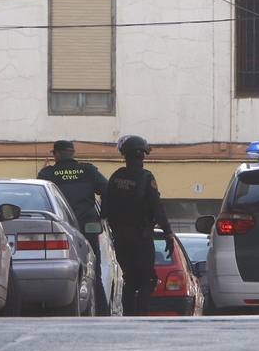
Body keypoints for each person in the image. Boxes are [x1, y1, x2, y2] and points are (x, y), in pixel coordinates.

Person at [101, 135, 174, 316]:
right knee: (146, 280)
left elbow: (105, 207)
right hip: (141, 238)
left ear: (125, 155)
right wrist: (168, 233)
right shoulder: (145, 178)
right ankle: (141, 316)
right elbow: (157, 208)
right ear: (142, 156)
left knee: (130, 279)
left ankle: (128, 316)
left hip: (120, 238)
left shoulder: (116, 177)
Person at [38, 140, 110, 314]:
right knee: (93, 269)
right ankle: (100, 311)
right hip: (88, 226)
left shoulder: (48, 174)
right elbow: (108, 190)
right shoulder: (88, 170)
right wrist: (102, 215)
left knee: (62, 267)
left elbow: (40, 200)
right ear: (73, 152)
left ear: (56, 154)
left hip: (60, 229)